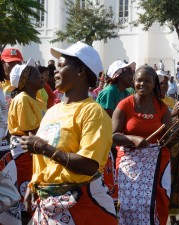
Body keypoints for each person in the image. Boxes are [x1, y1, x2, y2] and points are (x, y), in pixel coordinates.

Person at [19, 41, 117, 224]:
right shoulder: (53, 111)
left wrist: (45, 149)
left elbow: (89, 165)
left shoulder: (93, 113)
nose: (55, 71)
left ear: (80, 70)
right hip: (46, 204)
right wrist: (33, 185)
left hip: (82, 207)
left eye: (61, 66)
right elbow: (44, 162)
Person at [112, 65, 172, 225]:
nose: (142, 84)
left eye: (147, 81)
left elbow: (169, 136)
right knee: (129, 204)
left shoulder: (162, 108)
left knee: (156, 202)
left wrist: (177, 125)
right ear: (133, 82)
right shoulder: (124, 105)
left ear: (154, 84)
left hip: (157, 162)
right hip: (129, 160)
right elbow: (113, 137)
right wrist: (133, 139)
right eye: (139, 80)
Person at [8, 58, 46, 224]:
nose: (41, 76)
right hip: (25, 151)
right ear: (26, 80)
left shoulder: (36, 100)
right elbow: (32, 131)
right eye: (36, 74)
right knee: (26, 196)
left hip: (34, 149)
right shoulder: (22, 99)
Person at [96, 59, 135, 207]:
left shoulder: (125, 92)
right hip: (107, 143)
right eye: (129, 73)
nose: (132, 75)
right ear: (119, 75)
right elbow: (109, 123)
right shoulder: (109, 92)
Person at [158, 70, 179, 225]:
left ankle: (173, 218)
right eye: (160, 83)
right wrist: (173, 114)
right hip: (160, 148)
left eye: (165, 83)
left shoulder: (170, 101)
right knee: (160, 182)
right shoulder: (151, 103)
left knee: (174, 181)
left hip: (174, 146)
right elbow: (158, 127)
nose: (163, 86)